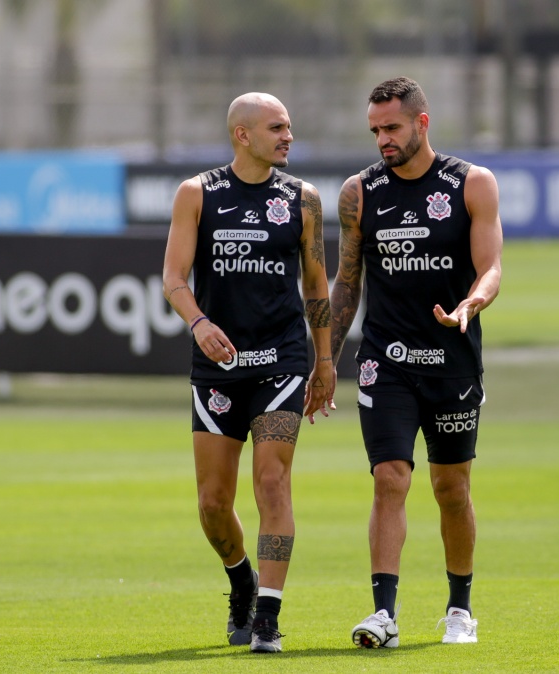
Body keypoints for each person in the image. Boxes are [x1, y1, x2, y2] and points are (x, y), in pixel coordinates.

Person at [330, 77, 503, 648]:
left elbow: (492, 267)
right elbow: (346, 283)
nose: (382, 139)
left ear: (421, 123)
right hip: (387, 361)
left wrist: (473, 302)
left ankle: (460, 608)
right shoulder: (359, 192)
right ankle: (383, 613)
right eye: (375, 130)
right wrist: (326, 360)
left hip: (453, 358)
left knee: (451, 488)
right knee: (389, 478)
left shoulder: (471, 183)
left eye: (392, 128)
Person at [163, 92, 335, 654]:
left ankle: (267, 617)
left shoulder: (303, 200)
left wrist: (325, 359)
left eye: (289, 126)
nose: (288, 136)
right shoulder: (197, 194)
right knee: (213, 503)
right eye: (277, 127)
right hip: (217, 370)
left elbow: (316, 286)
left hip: (281, 364)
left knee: (271, 481)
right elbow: (173, 279)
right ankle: (242, 579)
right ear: (243, 135)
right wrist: (198, 323)